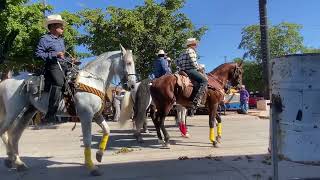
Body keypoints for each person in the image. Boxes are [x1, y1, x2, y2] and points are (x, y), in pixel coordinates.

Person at [35, 14, 67, 123]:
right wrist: (54, 55)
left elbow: (62, 55)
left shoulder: (61, 40)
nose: (62, 28)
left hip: (63, 65)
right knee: (59, 82)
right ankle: (50, 114)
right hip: (52, 65)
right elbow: (38, 54)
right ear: (53, 27)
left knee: (76, 79)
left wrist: (70, 60)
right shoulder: (45, 39)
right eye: (60, 26)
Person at [176, 38, 208, 110]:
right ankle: (195, 101)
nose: (196, 45)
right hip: (190, 70)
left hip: (182, 71)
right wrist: (200, 67)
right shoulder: (191, 51)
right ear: (192, 44)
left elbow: (177, 62)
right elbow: (194, 63)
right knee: (204, 81)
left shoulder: (182, 52)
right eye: (195, 44)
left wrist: (181, 67)